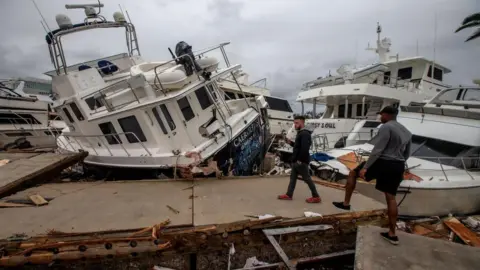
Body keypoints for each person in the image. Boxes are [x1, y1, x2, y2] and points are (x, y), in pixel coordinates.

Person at [332, 106, 412, 245]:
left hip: (384, 161)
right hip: (398, 165)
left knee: (353, 172)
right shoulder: (407, 132)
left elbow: (378, 150)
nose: (380, 117)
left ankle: (346, 204)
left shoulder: (386, 127)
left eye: (381, 115)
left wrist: (366, 167)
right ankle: (392, 234)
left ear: (387, 115)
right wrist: (399, 164)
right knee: (391, 198)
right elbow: (406, 154)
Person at [278, 115, 321, 203]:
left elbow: (304, 149)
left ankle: (316, 196)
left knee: (307, 179)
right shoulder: (301, 133)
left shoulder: (305, 134)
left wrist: (300, 161)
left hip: (301, 161)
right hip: (296, 161)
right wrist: (291, 143)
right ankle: (289, 194)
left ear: (302, 122)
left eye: (297, 123)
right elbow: (298, 146)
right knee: (292, 179)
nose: (295, 125)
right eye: (294, 123)